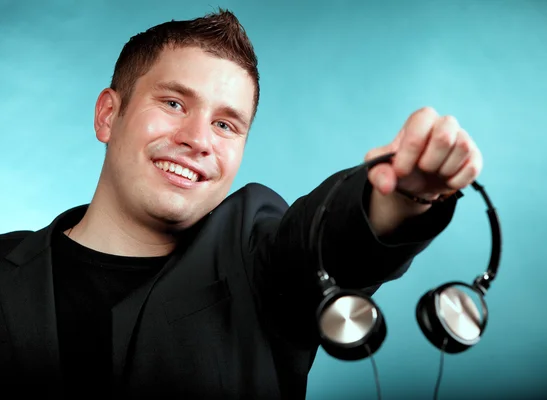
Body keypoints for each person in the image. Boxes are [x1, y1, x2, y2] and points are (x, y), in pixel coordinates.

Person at [0, 8, 483, 400]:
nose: (197, 140)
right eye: (173, 103)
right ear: (109, 115)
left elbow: (327, 241)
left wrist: (405, 192)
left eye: (226, 125)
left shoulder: (255, 257)